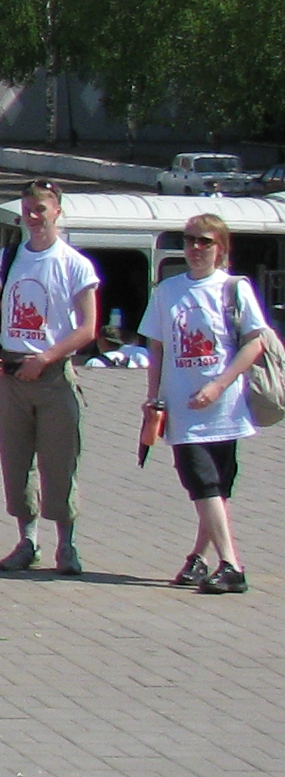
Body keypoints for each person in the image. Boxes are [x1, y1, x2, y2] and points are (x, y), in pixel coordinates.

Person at [138, 212, 269, 594]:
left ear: (221, 248)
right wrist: (153, 397)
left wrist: (219, 385)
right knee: (201, 481)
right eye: (189, 240)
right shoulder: (168, 291)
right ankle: (229, 563)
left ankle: (205, 559)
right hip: (183, 408)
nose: (195, 248)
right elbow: (157, 347)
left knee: (216, 486)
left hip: (225, 407)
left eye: (204, 241)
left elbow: (255, 343)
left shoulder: (233, 289)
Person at [0, 180, 103, 576]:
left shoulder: (73, 263)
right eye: (28, 210)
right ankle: (27, 540)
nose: (34, 217)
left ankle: (66, 545)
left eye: (41, 210)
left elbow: (88, 328)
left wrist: (47, 358)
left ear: (57, 212)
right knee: (16, 461)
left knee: (59, 460)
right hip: (12, 374)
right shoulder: (9, 257)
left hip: (52, 375)